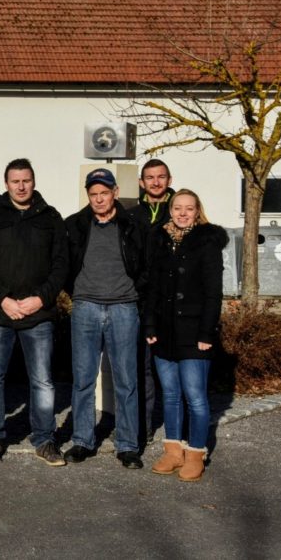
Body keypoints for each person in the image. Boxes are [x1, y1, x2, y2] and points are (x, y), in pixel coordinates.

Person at [0, 159, 69, 466]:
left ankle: (44, 440)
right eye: (15, 181)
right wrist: (4, 299)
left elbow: (61, 266)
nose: (21, 186)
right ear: (6, 184)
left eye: (26, 180)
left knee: (42, 381)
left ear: (34, 181)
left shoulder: (50, 217)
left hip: (38, 314)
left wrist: (40, 299)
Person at [64, 168, 146, 469]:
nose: (99, 199)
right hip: (85, 306)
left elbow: (145, 264)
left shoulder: (133, 224)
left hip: (124, 307)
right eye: (93, 194)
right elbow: (64, 264)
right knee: (83, 378)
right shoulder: (74, 225)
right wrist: (76, 292)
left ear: (114, 192)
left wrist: (135, 292)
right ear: (89, 196)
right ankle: (82, 441)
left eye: (104, 193)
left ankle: (127, 445)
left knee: (126, 379)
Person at [143, 189, 227, 482]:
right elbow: (151, 288)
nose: (182, 213)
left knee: (195, 396)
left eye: (188, 209)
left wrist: (207, 332)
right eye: (177, 208)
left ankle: (195, 453)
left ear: (197, 210)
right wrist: (150, 326)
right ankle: (173, 451)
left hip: (194, 333)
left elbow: (213, 294)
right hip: (164, 332)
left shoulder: (207, 242)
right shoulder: (160, 240)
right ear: (170, 210)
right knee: (171, 395)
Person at [129, 158, 175, 445]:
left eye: (160, 177)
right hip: (141, 302)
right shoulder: (133, 216)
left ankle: (177, 428)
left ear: (169, 179)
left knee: (174, 369)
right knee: (141, 369)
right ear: (141, 182)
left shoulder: (181, 210)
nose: (155, 182)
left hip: (173, 303)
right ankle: (142, 427)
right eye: (150, 177)